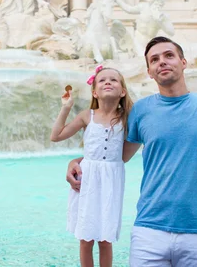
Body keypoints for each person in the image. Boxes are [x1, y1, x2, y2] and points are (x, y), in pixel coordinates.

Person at [67, 36, 197, 266]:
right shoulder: (141, 110)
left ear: (183, 62)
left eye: (169, 55)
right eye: (155, 59)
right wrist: (77, 161)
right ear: (149, 71)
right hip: (148, 230)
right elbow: (117, 155)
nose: (162, 62)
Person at [51, 66, 134, 267]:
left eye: (113, 80)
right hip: (87, 181)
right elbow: (56, 136)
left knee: (105, 239)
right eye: (102, 80)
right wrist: (66, 108)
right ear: (95, 92)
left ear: (122, 91)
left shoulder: (128, 118)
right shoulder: (86, 116)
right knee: (86, 238)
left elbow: (122, 157)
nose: (108, 82)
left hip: (111, 181)